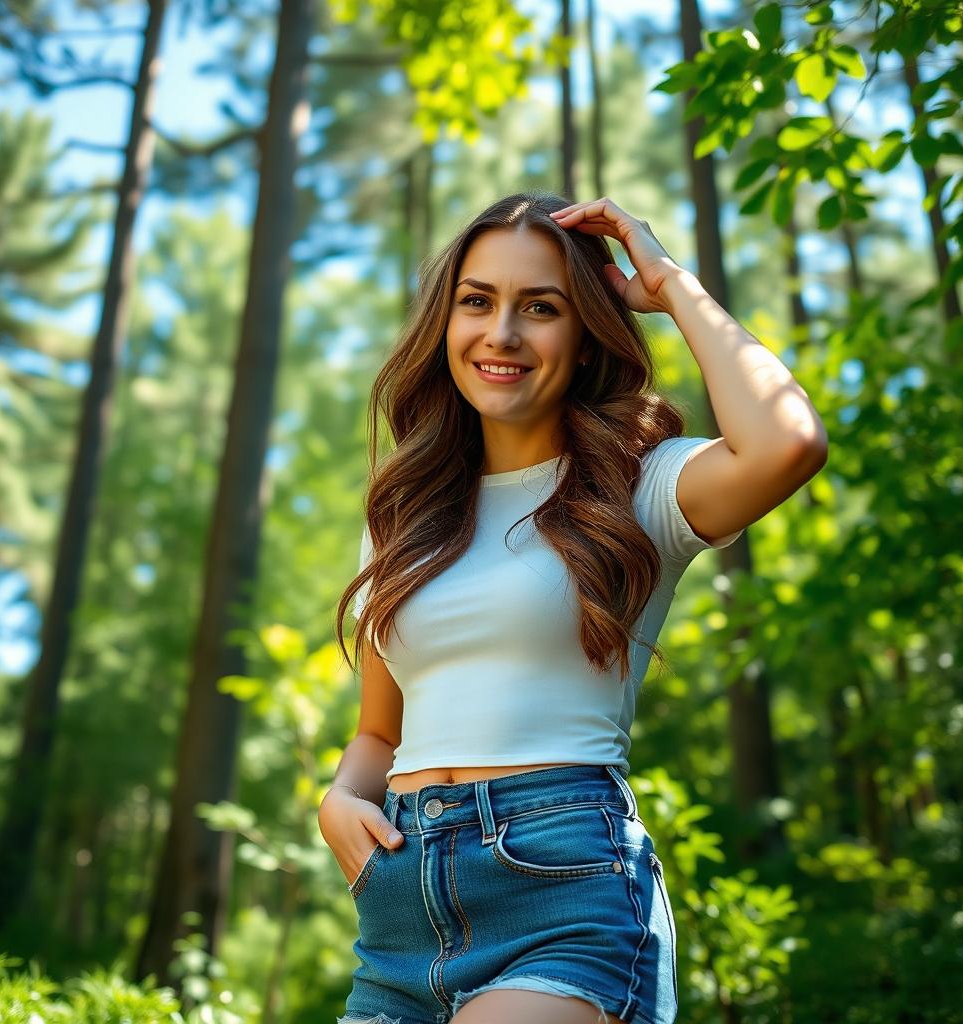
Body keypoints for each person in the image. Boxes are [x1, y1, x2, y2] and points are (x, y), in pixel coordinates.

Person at [319, 192, 828, 1024]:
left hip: (564, 892)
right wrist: (341, 798)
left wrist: (668, 284)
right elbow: (382, 730)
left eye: (542, 308)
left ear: (587, 331)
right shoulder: (400, 517)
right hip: (400, 916)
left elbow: (788, 441)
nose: (503, 333)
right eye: (477, 301)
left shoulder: (641, 486)